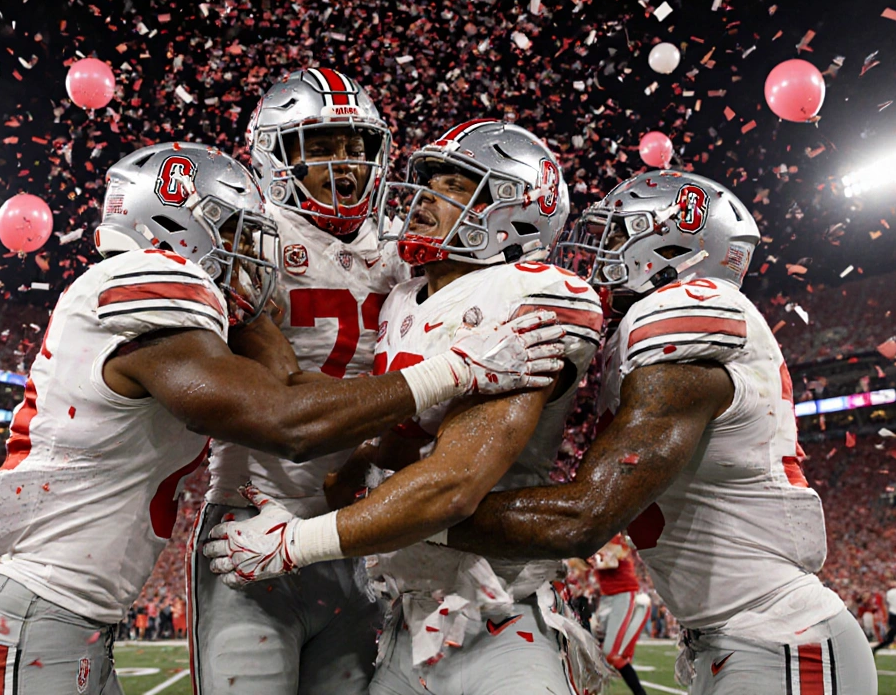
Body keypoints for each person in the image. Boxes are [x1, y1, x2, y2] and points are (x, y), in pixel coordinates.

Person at [0, 142, 561, 695]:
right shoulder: (145, 281)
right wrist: (454, 370)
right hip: (30, 611)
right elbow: (286, 418)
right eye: (230, 229)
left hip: (62, 617)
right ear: (175, 223)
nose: (246, 250)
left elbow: (283, 381)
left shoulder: (152, 294)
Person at [432, 170, 881, 694]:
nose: (602, 254)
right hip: (744, 641)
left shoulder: (688, 316)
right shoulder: (648, 339)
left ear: (672, 245)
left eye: (619, 235)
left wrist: (409, 515)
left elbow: (584, 517)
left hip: (781, 640)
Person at [206, 121, 612, 695]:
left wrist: (297, 542)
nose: (421, 200)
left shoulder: (526, 294)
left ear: (511, 212)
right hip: (404, 618)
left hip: (499, 613)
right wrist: (364, 460)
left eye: (453, 187)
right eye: (426, 183)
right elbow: (399, 434)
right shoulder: (403, 297)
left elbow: (453, 486)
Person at [191, 68, 409, 694]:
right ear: (275, 158)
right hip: (252, 516)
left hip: (356, 528)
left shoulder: (402, 249)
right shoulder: (244, 239)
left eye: (356, 145)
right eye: (320, 146)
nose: (345, 163)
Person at [590, 534, 650, 695]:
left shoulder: (611, 537)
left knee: (610, 652)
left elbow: (608, 562)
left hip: (622, 594)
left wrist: (582, 557)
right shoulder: (596, 539)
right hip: (607, 596)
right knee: (595, 650)